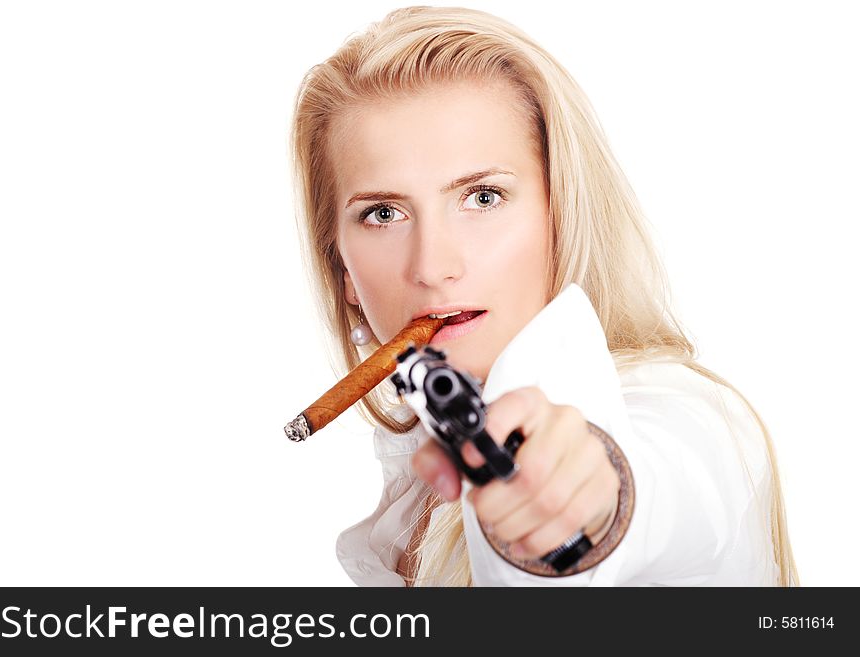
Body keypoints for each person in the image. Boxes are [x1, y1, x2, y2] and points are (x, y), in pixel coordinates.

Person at [289, 5, 799, 586]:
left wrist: (589, 498)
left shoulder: (687, 421)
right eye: (383, 213)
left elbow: (653, 491)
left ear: (563, 215)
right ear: (344, 270)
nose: (432, 266)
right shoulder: (411, 488)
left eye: (483, 197)